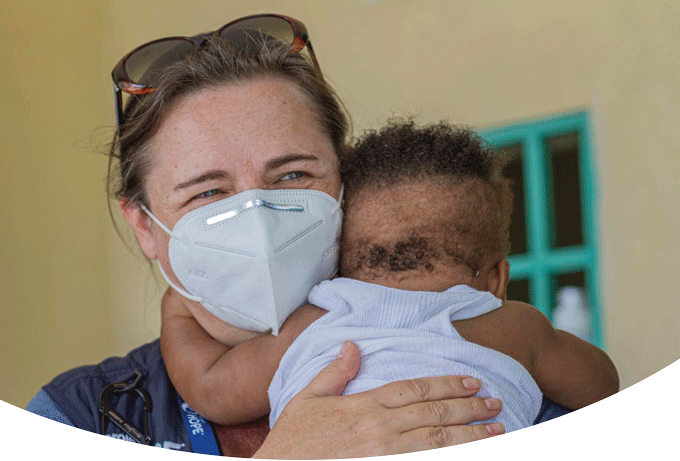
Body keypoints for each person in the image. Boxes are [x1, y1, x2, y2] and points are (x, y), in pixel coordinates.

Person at [25, 14, 572, 457]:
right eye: (207, 192)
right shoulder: (82, 421)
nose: (257, 217)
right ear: (144, 224)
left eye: (292, 176)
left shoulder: (499, 373)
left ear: (345, 184)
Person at [161, 119, 619, 434]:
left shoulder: (315, 322)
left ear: (339, 262)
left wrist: (177, 310)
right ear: (498, 279)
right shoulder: (515, 329)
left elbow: (211, 387)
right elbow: (601, 384)